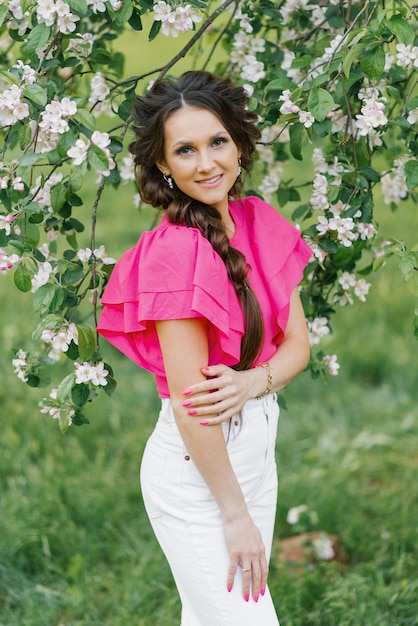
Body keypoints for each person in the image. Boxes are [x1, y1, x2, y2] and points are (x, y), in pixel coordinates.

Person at [97, 70, 312, 626]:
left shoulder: (258, 220)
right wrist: (233, 515)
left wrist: (250, 382)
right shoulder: (175, 255)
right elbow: (194, 405)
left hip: (256, 458)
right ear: (164, 166)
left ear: (238, 143)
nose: (207, 162)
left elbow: (299, 348)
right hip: (200, 476)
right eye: (185, 150)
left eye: (217, 141)